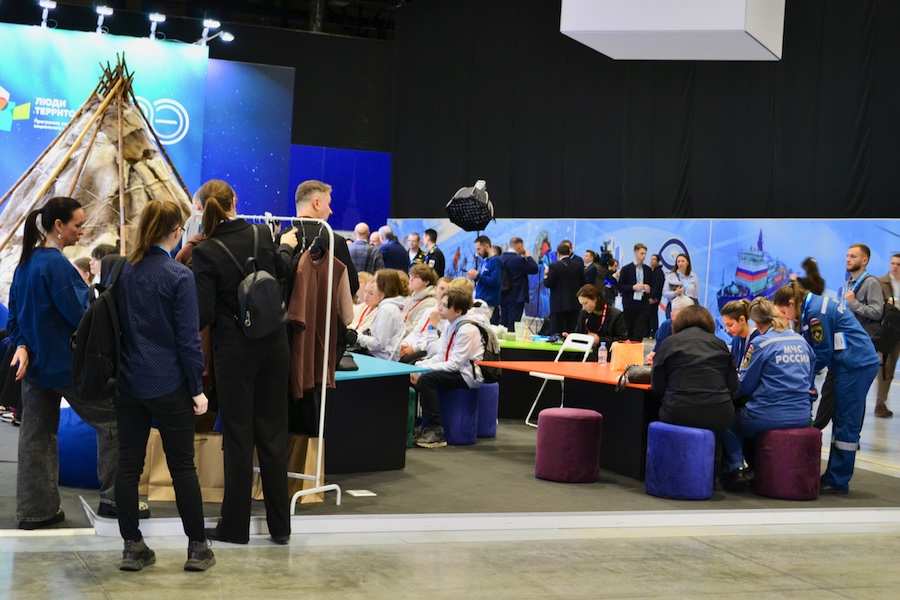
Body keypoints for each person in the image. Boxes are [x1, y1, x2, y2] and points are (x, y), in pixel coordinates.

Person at [6, 197, 122, 529]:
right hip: (67, 367)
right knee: (116, 421)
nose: (82, 231)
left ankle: (36, 511)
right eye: (78, 225)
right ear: (59, 225)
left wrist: (22, 345)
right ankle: (116, 500)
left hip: (35, 368)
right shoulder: (57, 266)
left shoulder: (25, 264)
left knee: (35, 436)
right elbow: (83, 316)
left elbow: (14, 317)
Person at [114, 200, 215, 571]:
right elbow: (188, 340)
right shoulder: (179, 276)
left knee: (128, 466)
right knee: (182, 467)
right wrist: (197, 389)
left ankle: (132, 546)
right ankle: (197, 548)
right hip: (169, 384)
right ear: (176, 232)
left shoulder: (123, 270)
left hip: (128, 383)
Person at [191, 180, 291, 544]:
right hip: (275, 343)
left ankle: (234, 527)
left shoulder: (205, 251)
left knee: (238, 437)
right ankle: (281, 527)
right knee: (273, 434)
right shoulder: (262, 234)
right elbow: (281, 271)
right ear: (235, 200)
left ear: (202, 209)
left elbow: (202, 314)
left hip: (235, 351)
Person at [773, 282, 880, 494]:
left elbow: (822, 352)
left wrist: (800, 374)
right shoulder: (813, 307)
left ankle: (838, 480)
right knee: (837, 416)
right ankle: (834, 474)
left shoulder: (816, 313)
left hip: (855, 365)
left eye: (784, 312)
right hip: (845, 363)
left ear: (792, 303)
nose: (787, 318)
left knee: (845, 420)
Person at [721, 298, 815, 491]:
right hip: (802, 414)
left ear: (755, 321)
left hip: (769, 415)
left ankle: (737, 469)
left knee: (728, 422)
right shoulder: (801, 341)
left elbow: (744, 387)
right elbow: (810, 377)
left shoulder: (761, 343)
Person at [813, 243, 884, 429]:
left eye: (853, 256)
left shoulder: (871, 283)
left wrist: (854, 303)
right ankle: (816, 429)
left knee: (853, 396)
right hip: (843, 347)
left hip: (859, 350)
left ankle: (847, 435)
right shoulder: (847, 285)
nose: (848, 259)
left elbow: (877, 312)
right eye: (847, 256)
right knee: (830, 389)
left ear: (864, 260)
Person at [411, 289, 485, 448]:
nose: (439, 308)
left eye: (445, 306)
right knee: (412, 369)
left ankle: (436, 430)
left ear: (457, 311)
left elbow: (454, 364)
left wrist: (423, 371)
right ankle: (417, 423)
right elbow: (440, 356)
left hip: (467, 375)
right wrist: (419, 366)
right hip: (456, 369)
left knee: (427, 379)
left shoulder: (467, 329)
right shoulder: (451, 325)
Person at [650, 305, 736, 433]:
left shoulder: (669, 343)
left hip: (677, 413)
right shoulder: (720, 344)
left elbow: (657, 385)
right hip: (719, 414)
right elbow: (733, 385)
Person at [353, 269, 408, 360]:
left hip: (379, 358)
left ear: (383, 285)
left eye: (375, 281)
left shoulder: (387, 309)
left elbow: (377, 343)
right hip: (378, 355)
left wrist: (356, 337)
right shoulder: (389, 307)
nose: (373, 285)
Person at [398, 276, 451, 363]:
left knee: (405, 362)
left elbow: (436, 342)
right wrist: (404, 343)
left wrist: (414, 348)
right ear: (435, 289)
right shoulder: (429, 310)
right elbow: (416, 332)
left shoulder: (447, 316)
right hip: (415, 345)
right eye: (441, 288)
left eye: (447, 290)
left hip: (426, 350)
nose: (444, 293)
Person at [565, 284, 627, 353]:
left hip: (610, 353)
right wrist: (571, 338)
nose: (583, 307)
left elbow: (622, 340)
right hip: (588, 353)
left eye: (585, 303)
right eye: (581, 304)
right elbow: (579, 333)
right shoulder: (583, 313)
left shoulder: (616, 315)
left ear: (595, 299)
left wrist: (600, 340)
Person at [875, 253, 900, 418]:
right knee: (886, 366)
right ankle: (880, 403)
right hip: (889, 329)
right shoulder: (881, 282)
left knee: (889, 366)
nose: (895, 266)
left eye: (898, 264)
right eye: (893, 263)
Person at [544, 242, 584, 335]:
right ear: (569, 252)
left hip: (558, 304)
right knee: (571, 330)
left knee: (557, 332)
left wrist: (546, 274)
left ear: (558, 254)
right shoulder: (578, 265)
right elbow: (583, 283)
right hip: (574, 303)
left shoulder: (554, 266)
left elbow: (548, 283)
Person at [498, 236, 538, 329]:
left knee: (503, 324)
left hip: (503, 296)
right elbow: (534, 268)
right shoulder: (519, 260)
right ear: (520, 247)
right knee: (513, 325)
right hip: (516, 296)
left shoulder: (500, 259)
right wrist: (528, 256)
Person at [617, 243, 654, 341]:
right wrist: (633, 287)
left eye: (645, 254)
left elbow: (653, 286)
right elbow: (620, 287)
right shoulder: (626, 269)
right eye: (642, 253)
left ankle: (637, 347)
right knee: (628, 330)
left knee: (639, 331)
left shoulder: (648, 270)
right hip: (629, 303)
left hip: (643, 303)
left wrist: (648, 289)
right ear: (635, 252)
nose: (644, 256)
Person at [644, 295, 694, 365]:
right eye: (680, 317)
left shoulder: (699, 329)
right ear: (672, 316)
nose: (684, 321)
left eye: (688, 317)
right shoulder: (666, 327)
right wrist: (652, 357)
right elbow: (657, 351)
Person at [467, 235, 502, 322]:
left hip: (488, 302)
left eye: (479, 249)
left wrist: (478, 275)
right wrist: (474, 277)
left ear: (486, 246)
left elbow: (495, 281)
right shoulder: (485, 261)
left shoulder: (496, 261)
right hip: (479, 299)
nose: (477, 252)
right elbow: (483, 279)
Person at [402, 264, 438, 337]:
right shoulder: (411, 298)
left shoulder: (430, 303)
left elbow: (416, 329)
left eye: (416, 277)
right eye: (411, 276)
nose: (411, 279)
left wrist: (394, 333)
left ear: (426, 282)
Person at [720, 298, 758, 367]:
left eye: (730, 325)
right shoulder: (735, 341)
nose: (727, 330)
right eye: (725, 326)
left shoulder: (758, 338)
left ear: (742, 320)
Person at [648, 253, 665, 338]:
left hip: (655, 297)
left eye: (654, 259)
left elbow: (657, 286)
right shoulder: (651, 271)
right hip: (649, 296)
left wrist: (652, 297)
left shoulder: (659, 272)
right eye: (651, 259)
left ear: (658, 261)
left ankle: (654, 331)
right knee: (649, 314)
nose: (652, 261)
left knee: (653, 314)